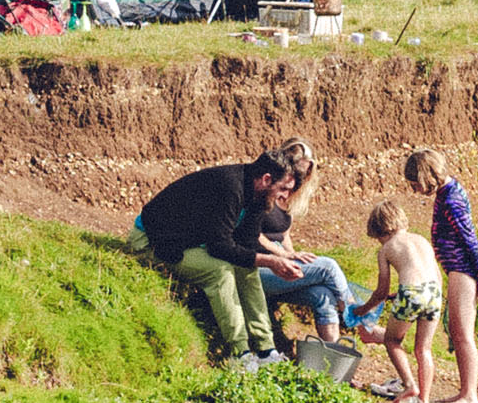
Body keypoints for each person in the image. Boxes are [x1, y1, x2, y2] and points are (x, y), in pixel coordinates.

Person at [136, 147, 297, 369]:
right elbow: (219, 247)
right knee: (220, 270)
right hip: (153, 241)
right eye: (283, 189)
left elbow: (247, 243)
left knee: (246, 268)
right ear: (266, 179)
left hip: (190, 242)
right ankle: (240, 353)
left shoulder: (260, 196)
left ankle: (266, 349)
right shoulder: (230, 186)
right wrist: (271, 261)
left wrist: (274, 262)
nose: (285, 197)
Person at [406, 147, 478, 403]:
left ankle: (469, 395)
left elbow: (471, 241)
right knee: (457, 331)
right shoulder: (447, 193)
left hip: (463, 270)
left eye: (415, 184)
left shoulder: (451, 199)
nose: (414, 190)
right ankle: (466, 392)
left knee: (462, 333)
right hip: (456, 268)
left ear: (426, 176)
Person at [251, 158, 361, 348]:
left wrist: (293, 255)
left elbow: (284, 237)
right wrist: (284, 256)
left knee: (323, 295)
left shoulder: (288, 199)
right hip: (257, 267)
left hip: (279, 269)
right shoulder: (264, 194)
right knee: (328, 267)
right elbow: (253, 235)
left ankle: (332, 363)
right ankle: (358, 319)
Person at [363, 197, 443, 403]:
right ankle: (424, 402)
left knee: (391, 340)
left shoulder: (387, 248)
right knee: (423, 349)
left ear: (380, 231)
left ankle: (409, 385)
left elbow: (380, 292)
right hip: (434, 293)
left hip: (411, 293)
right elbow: (433, 274)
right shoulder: (421, 240)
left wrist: (362, 309)